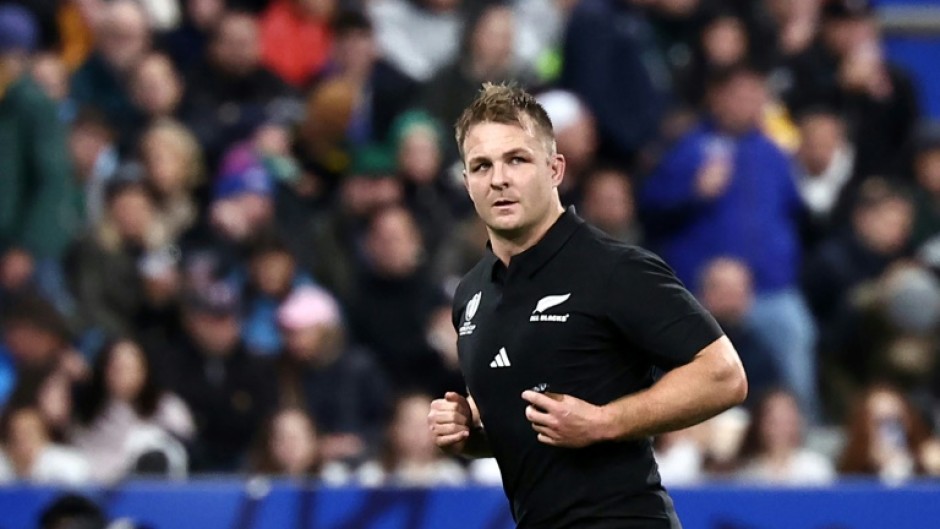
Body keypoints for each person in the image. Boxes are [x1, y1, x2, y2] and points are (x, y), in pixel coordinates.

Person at [428, 84, 747, 529]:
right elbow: (529, 433)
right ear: (467, 184)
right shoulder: (471, 294)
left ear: (555, 168)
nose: (498, 178)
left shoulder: (613, 268)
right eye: (481, 166)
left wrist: (604, 421)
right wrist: (469, 433)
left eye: (517, 160)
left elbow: (724, 374)